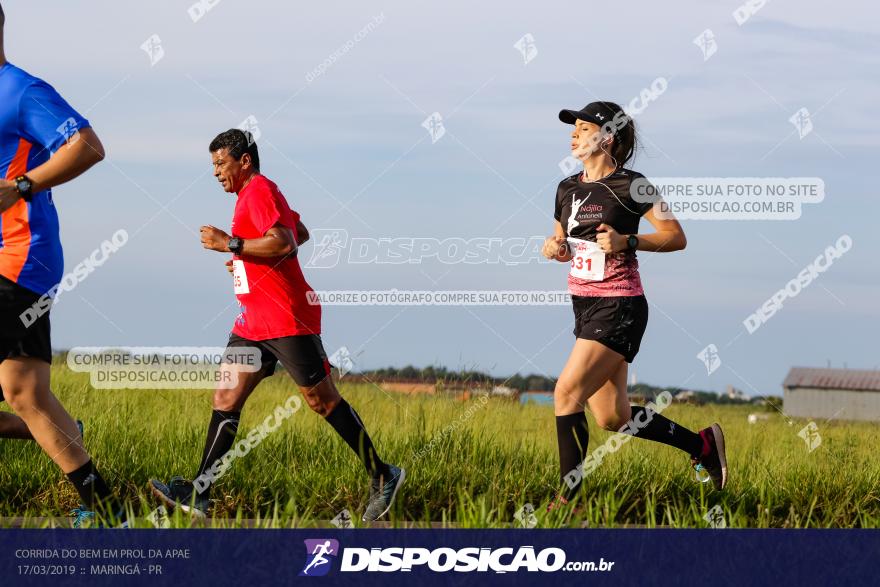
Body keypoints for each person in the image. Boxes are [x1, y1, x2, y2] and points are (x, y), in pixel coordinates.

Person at [150, 129, 405, 522]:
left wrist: (231, 245)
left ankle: (383, 474)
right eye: (213, 165)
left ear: (244, 161)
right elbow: (299, 233)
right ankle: (201, 493)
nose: (216, 172)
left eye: (221, 163)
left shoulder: (260, 190)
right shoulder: (251, 196)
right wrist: (249, 259)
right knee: (226, 399)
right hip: (253, 321)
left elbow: (285, 241)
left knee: (323, 402)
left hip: (288, 317)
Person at [541, 101, 728, 508]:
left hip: (620, 305)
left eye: (583, 127)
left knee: (566, 393)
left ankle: (567, 504)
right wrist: (554, 248)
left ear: (607, 136)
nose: (573, 134)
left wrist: (629, 241)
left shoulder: (635, 184)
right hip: (584, 307)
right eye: (572, 128)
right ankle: (702, 445)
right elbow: (559, 243)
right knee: (611, 416)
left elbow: (676, 236)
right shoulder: (566, 188)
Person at [0, 3, 122, 526]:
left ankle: (111, 513)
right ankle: (98, 490)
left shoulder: (21, 91)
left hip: (19, 257)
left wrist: (22, 186)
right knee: (29, 397)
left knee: (24, 391)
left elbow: (87, 147)